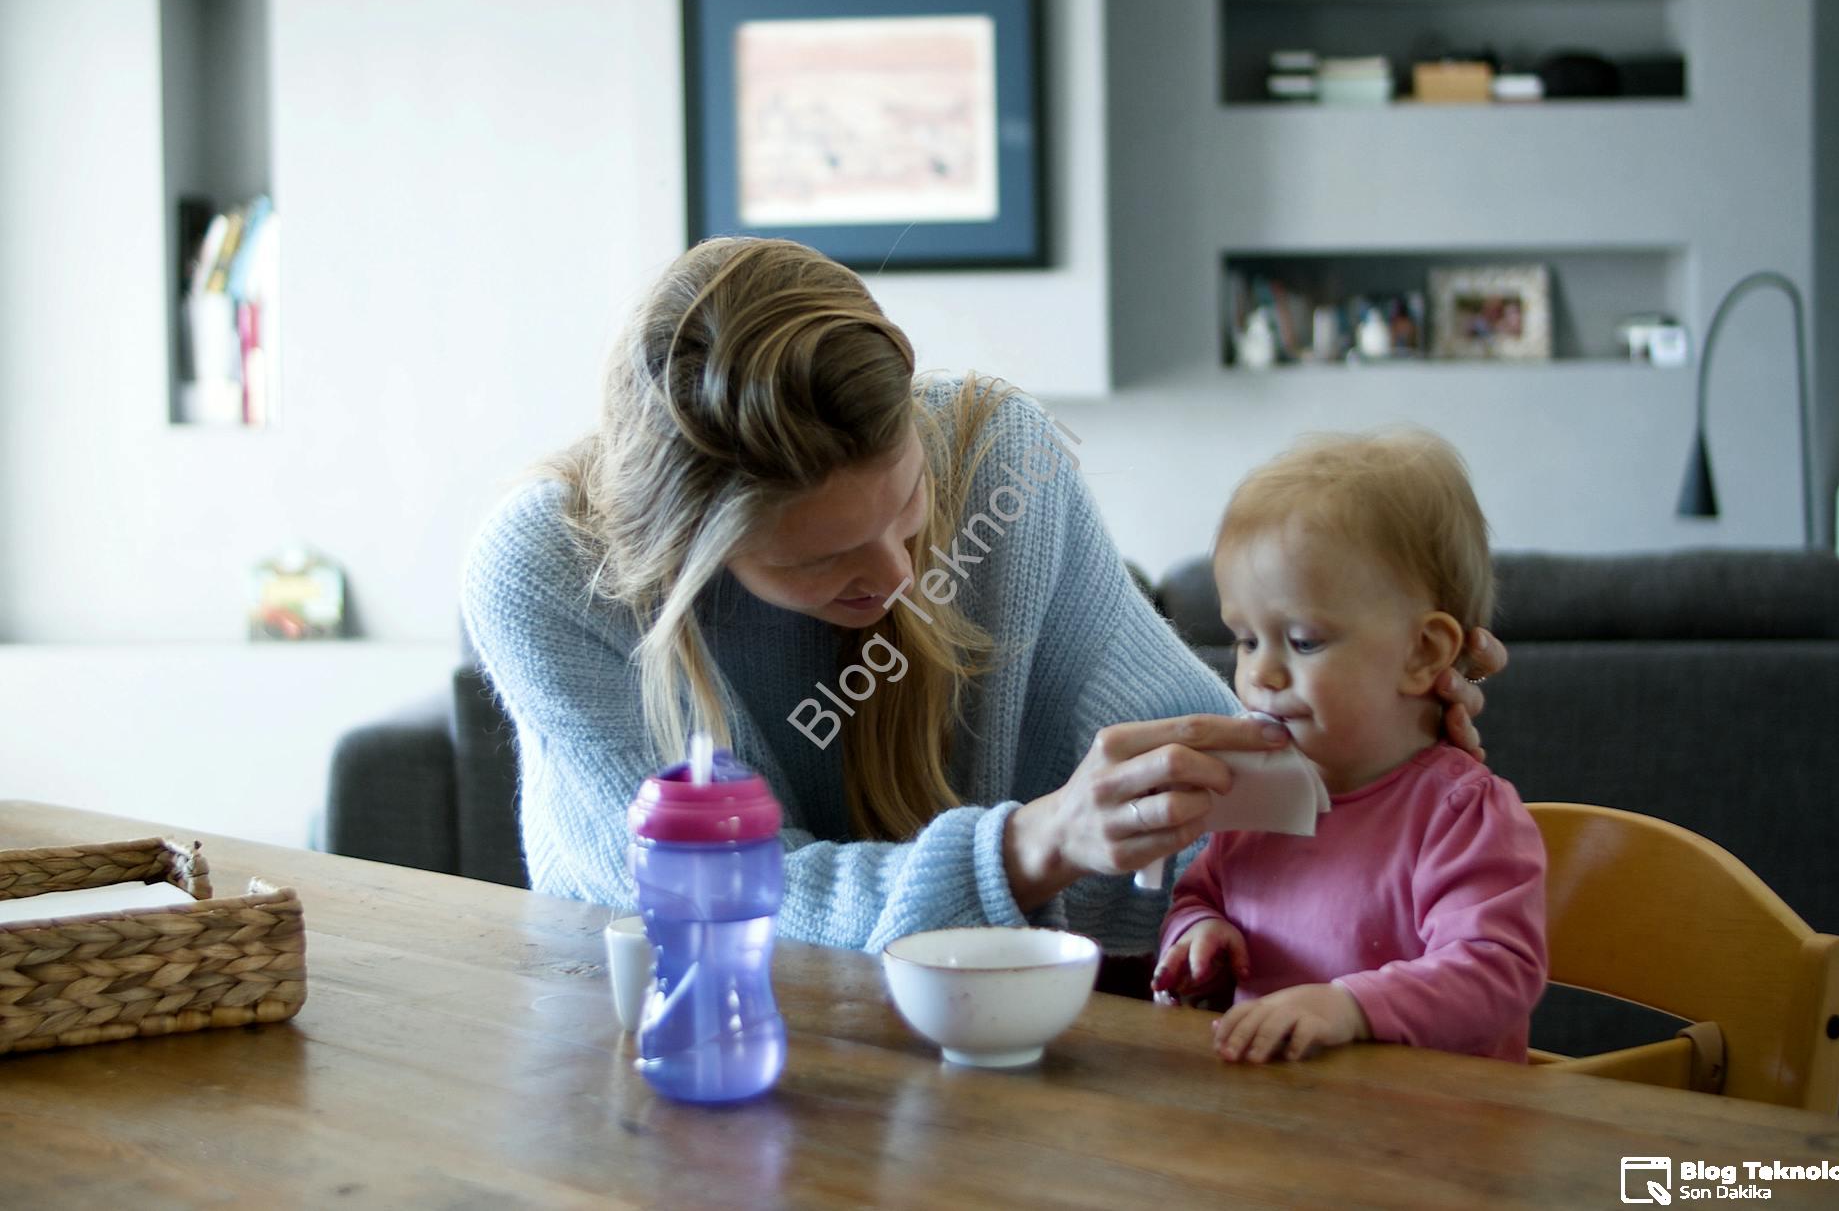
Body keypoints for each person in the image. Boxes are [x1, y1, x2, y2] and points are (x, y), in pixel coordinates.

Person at [462, 236, 1506, 956]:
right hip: (675, 1051)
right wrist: (1024, 846)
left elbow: (1213, 805)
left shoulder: (990, 459)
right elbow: (711, 903)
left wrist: (1373, 736)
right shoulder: (548, 572)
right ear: (687, 544)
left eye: (906, 506)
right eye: (818, 562)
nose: (896, 575)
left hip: (967, 1053)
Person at [1151, 430, 1546, 1062]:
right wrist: (1201, 934)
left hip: (1432, 1137)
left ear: (1423, 653)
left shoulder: (1461, 814)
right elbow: (1200, 892)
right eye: (1247, 641)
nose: (1262, 676)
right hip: (1280, 1129)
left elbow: (1497, 972)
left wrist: (1349, 1006)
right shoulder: (1257, 796)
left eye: (1303, 642)